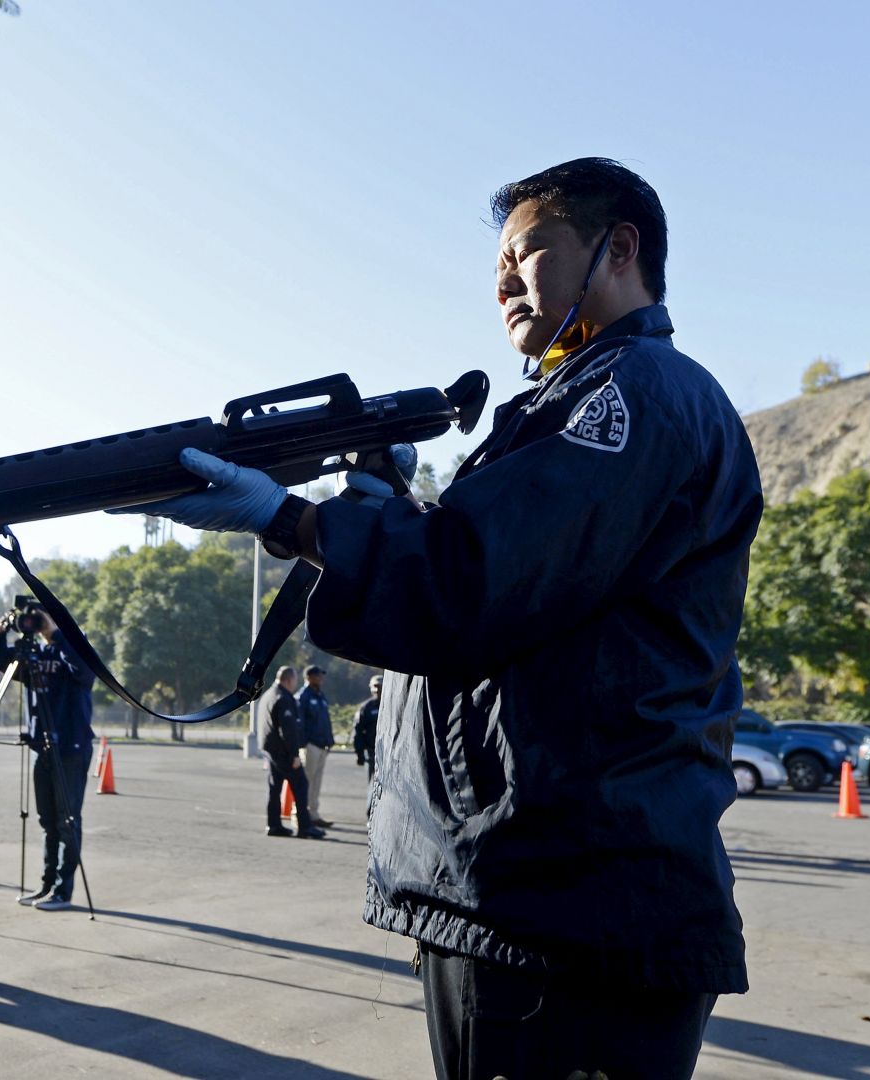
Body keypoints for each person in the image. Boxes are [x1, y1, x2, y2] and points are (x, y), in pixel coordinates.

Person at [125, 158, 761, 1079]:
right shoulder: (573, 398)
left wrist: (290, 519)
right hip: (521, 895)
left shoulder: (636, 394)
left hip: (572, 909)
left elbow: (466, 584)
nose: (502, 280)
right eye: (496, 261)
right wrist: (381, 508)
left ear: (617, 248)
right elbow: (500, 578)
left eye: (528, 250)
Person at [0, 601, 95, 911]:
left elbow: (85, 673)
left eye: (41, 617)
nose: (36, 623)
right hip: (42, 748)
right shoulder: (33, 655)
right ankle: (47, 885)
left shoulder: (75, 645)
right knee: (48, 821)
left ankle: (64, 891)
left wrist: (55, 633)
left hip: (71, 748)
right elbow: (1, 662)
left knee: (67, 820)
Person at [259, 666, 325, 839]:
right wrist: (295, 755)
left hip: (271, 751)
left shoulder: (268, 695)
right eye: (294, 680)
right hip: (284, 753)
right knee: (301, 786)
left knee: (275, 789)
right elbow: (288, 730)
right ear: (289, 680)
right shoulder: (284, 698)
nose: (295, 684)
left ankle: (273, 825)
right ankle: (305, 827)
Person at [295, 665, 335, 827]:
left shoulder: (320, 695)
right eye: (318, 676)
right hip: (310, 745)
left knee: (316, 782)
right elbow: (299, 723)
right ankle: (300, 815)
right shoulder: (303, 696)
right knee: (306, 781)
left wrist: (329, 739)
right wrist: (303, 743)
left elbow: (325, 720)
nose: (321, 679)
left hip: (322, 745)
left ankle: (313, 814)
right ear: (309, 677)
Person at [352, 674, 382, 782]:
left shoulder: (393, 705)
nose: (378, 690)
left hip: (391, 753)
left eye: (381, 686)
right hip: (372, 752)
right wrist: (359, 753)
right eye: (375, 686)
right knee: (374, 784)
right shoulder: (365, 707)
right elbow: (358, 731)